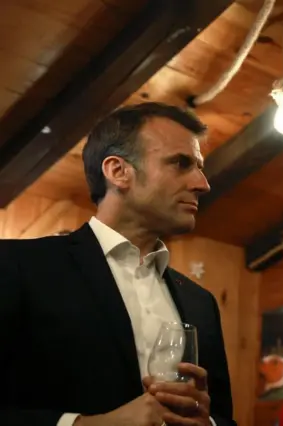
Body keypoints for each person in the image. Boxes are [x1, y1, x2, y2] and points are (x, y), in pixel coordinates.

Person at [0, 102, 235, 426]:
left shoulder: (201, 303)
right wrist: (85, 425)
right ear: (117, 171)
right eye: (181, 163)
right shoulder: (17, 267)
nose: (203, 184)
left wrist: (207, 423)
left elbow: (223, 416)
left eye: (199, 166)